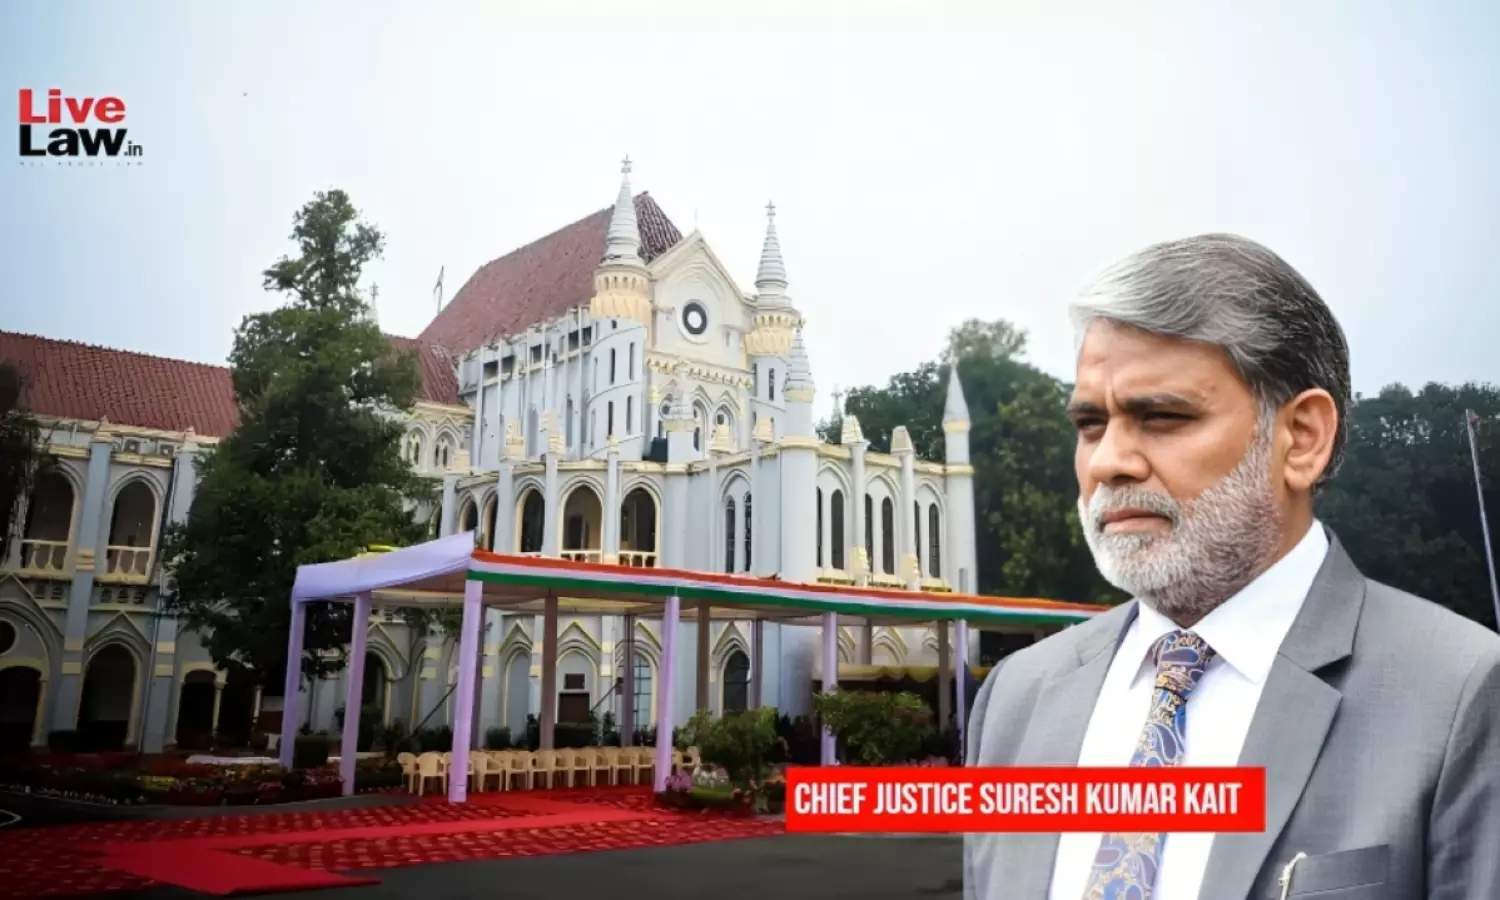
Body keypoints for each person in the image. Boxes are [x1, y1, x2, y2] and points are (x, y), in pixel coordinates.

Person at [963, 234, 1500, 900]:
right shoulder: (1017, 698)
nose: (1107, 462)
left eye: (1161, 416)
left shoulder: (1461, 694)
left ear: (1301, 438)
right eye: (1091, 424)